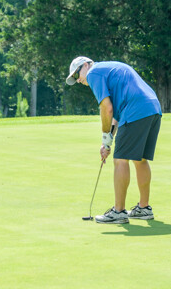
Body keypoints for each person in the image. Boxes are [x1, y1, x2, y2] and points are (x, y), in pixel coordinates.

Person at [66, 57, 162, 224]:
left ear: (86, 65)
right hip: (152, 108)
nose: (78, 80)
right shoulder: (108, 69)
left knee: (120, 160)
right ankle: (144, 208)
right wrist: (107, 143)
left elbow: (106, 108)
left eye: (77, 74)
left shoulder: (93, 73)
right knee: (140, 159)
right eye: (74, 78)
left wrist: (104, 135)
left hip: (135, 109)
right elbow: (116, 115)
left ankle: (119, 212)